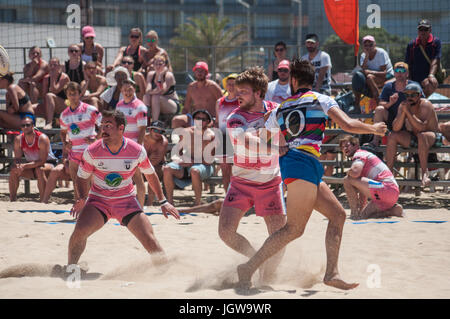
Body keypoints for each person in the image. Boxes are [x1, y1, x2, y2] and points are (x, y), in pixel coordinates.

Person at [236, 59, 387, 291]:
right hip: (302, 164)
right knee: (294, 229)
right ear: (312, 78)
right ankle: (249, 267)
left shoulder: (281, 107)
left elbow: (263, 136)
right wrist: (373, 129)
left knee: (337, 215)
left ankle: (331, 273)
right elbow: (347, 124)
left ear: (294, 81)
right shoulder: (322, 99)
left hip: (302, 165)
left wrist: (281, 145)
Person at [68, 109, 179, 269]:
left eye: (108, 125)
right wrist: (82, 199)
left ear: (121, 128)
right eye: (102, 125)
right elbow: (81, 177)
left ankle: (166, 273)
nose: (103, 129)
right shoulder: (92, 150)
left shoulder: (136, 150)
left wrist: (163, 201)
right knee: (79, 233)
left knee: (149, 239)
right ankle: (70, 268)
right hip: (99, 201)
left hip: (126, 201)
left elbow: (151, 175)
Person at [219, 67, 286, 284]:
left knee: (280, 237)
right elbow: (246, 141)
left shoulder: (276, 110)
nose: (237, 95)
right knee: (226, 233)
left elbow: (293, 131)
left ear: (258, 93)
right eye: (237, 91)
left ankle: (266, 277)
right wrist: (276, 148)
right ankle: (256, 258)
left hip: (270, 181)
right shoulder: (235, 117)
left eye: (243, 91)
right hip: (241, 182)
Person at [386, 82, 439, 187]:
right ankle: (388, 172)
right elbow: (395, 128)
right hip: (415, 136)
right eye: (407, 95)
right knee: (392, 136)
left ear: (419, 95)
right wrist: (403, 112)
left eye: (413, 95)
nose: (409, 98)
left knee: (422, 135)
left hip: (431, 136)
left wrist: (407, 112)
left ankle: (424, 173)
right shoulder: (403, 105)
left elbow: (422, 128)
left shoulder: (426, 105)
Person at [340, 135, 403, 220]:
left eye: (347, 146)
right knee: (364, 216)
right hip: (391, 192)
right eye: (342, 147)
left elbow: (355, 172)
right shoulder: (363, 155)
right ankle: (391, 211)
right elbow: (363, 189)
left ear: (356, 146)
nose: (344, 149)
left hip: (385, 188)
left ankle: (354, 212)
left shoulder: (359, 154)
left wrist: (348, 172)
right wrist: (361, 209)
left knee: (347, 179)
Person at [163, 109, 215, 206]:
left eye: (203, 119)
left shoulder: (211, 136)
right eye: (198, 118)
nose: (200, 121)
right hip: (187, 165)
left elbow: (209, 160)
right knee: (167, 168)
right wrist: (181, 160)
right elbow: (177, 151)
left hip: (204, 166)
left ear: (208, 122)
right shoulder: (186, 132)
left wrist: (192, 161)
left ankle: (197, 202)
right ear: (194, 120)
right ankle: (169, 202)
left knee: (195, 170)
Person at [60, 82, 102, 201]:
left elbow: (103, 124)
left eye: (75, 94)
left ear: (80, 94)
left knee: (92, 183)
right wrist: (65, 142)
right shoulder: (64, 115)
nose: (72, 96)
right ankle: (80, 213)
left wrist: (97, 138)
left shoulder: (90, 109)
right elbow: (63, 132)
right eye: (70, 94)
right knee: (76, 184)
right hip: (74, 152)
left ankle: (92, 212)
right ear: (67, 95)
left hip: (90, 151)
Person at [370, 62, 424, 146]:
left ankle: (414, 145)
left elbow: (423, 102)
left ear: (407, 73)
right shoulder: (388, 86)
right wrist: (390, 103)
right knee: (379, 109)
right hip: (392, 119)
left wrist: (411, 103)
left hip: (409, 118)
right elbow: (380, 103)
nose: (400, 73)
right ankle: (375, 141)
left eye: (402, 70)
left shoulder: (414, 86)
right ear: (394, 73)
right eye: (397, 70)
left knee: (409, 119)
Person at [9, 115, 57, 202]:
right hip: (31, 165)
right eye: (23, 126)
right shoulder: (18, 139)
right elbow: (17, 158)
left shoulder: (42, 138)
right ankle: (12, 199)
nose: (25, 127)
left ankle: (43, 200)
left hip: (48, 164)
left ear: (33, 126)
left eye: (27, 125)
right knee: (14, 170)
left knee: (40, 169)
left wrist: (24, 166)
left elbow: (42, 161)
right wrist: (18, 165)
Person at [116, 79, 148, 207]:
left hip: (133, 147)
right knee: (122, 179)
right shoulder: (119, 105)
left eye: (129, 90)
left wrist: (138, 147)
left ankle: (140, 207)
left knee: (138, 178)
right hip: (121, 146)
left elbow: (142, 129)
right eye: (125, 90)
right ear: (121, 91)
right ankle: (123, 206)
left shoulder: (140, 106)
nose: (127, 92)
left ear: (134, 89)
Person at [171, 61, 222, 129]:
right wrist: (184, 116)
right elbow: (186, 108)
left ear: (206, 73)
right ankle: (178, 139)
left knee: (204, 126)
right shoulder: (191, 87)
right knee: (176, 120)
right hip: (196, 118)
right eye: (197, 70)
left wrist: (217, 121)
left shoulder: (213, 86)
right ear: (194, 73)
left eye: (202, 71)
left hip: (210, 119)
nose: (199, 73)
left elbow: (223, 104)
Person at [352, 35, 394, 112]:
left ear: (375, 45)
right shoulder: (363, 55)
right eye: (366, 45)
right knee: (356, 77)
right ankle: (356, 105)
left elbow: (384, 73)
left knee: (370, 78)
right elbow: (363, 69)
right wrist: (367, 56)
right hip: (371, 77)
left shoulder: (381, 53)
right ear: (363, 47)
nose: (368, 47)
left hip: (388, 75)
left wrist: (371, 72)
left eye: (371, 45)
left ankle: (379, 104)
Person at [215, 73, 240, 191]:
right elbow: (217, 121)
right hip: (223, 137)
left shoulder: (241, 101)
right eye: (229, 84)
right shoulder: (219, 101)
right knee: (225, 171)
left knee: (237, 171)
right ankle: (227, 196)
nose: (231, 86)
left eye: (233, 84)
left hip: (236, 137)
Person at [405, 19, 441, 97]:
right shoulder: (412, 44)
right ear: (418, 31)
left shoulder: (436, 42)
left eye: (426, 29)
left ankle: (422, 101)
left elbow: (435, 60)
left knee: (430, 85)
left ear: (430, 30)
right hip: (414, 76)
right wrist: (408, 79)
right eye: (421, 29)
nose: (423, 32)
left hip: (428, 76)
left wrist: (431, 75)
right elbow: (408, 63)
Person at [144, 53, 180, 122]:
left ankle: (154, 123)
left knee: (155, 97)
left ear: (165, 65)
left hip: (172, 104)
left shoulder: (168, 76)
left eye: (160, 64)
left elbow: (161, 90)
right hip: (156, 102)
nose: (158, 66)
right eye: (156, 64)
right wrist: (152, 92)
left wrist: (160, 75)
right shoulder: (150, 74)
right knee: (146, 96)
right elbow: (147, 90)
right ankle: (147, 121)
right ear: (153, 65)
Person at [143, 120, 169, 206]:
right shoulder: (142, 138)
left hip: (157, 166)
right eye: (156, 130)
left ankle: (149, 203)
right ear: (150, 130)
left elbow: (154, 162)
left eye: (160, 131)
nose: (158, 133)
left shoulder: (163, 142)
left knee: (153, 171)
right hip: (141, 164)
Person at [41, 57, 70, 129]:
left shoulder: (64, 77)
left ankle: (49, 122)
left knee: (49, 95)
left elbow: (55, 90)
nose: (53, 67)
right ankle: (29, 128)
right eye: (51, 65)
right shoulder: (46, 78)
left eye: (55, 65)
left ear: (59, 66)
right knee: (32, 108)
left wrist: (53, 78)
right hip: (52, 104)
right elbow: (43, 95)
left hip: (66, 104)